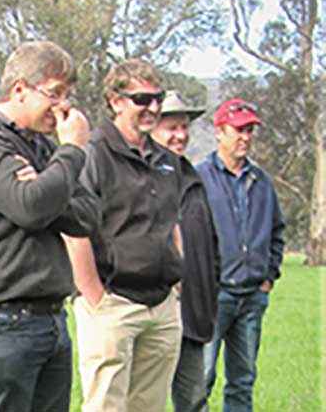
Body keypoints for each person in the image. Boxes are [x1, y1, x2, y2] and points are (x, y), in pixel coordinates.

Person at [0, 41, 99, 412]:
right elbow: (30, 208)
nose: (64, 106)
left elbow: (89, 215)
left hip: (50, 319)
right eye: (55, 93)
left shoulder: (39, 147)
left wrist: (46, 185)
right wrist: (72, 154)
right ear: (19, 90)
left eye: (69, 95)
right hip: (3, 322)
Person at [66, 59, 184, 412]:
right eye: (141, 99)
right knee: (106, 406)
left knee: (150, 406)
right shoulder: (93, 154)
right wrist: (94, 296)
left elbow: (172, 221)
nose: (152, 108)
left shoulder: (167, 161)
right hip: (112, 302)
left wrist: (176, 285)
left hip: (161, 304)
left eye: (157, 98)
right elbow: (74, 230)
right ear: (116, 101)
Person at [196, 98, 284, 412]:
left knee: (243, 381)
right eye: (238, 129)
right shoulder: (199, 179)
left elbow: (277, 231)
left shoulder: (261, 183)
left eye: (250, 130)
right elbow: (186, 237)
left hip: (251, 298)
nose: (245, 137)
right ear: (219, 131)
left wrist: (269, 276)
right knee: (200, 380)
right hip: (213, 298)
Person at [151, 92, 220, 412]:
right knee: (144, 400)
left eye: (183, 127)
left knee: (194, 400)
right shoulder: (139, 176)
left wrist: (210, 295)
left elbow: (210, 242)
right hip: (152, 312)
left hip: (193, 313)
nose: (180, 135)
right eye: (171, 128)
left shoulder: (193, 178)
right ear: (151, 128)